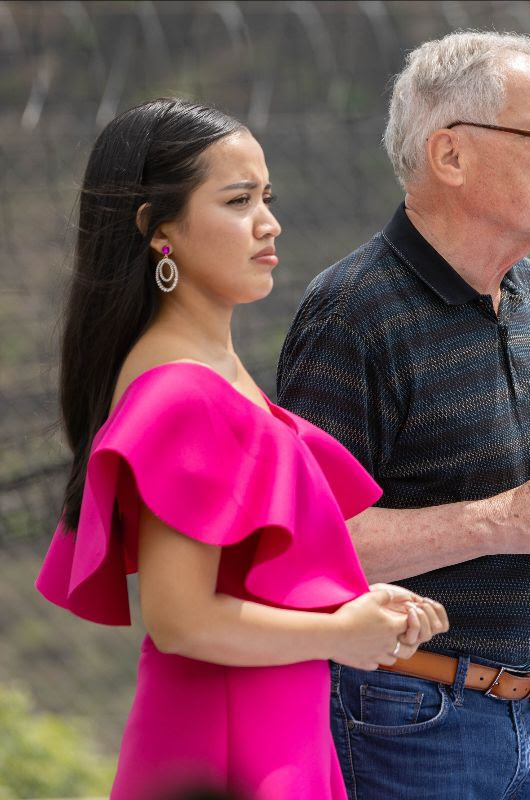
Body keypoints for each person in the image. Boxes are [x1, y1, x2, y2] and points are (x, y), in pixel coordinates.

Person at [275, 32, 530, 800]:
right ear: (450, 157)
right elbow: (310, 548)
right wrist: (500, 519)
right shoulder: (351, 314)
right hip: (398, 714)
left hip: (524, 715)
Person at [35, 98, 447, 799]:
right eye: (237, 200)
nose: (269, 222)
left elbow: (235, 586)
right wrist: (339, 633)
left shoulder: (204, 371)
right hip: (229, 741)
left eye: (266, 196)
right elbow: (181, 619)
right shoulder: (182, 393)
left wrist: (348, 612)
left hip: (269, 721)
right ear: (157, 232)